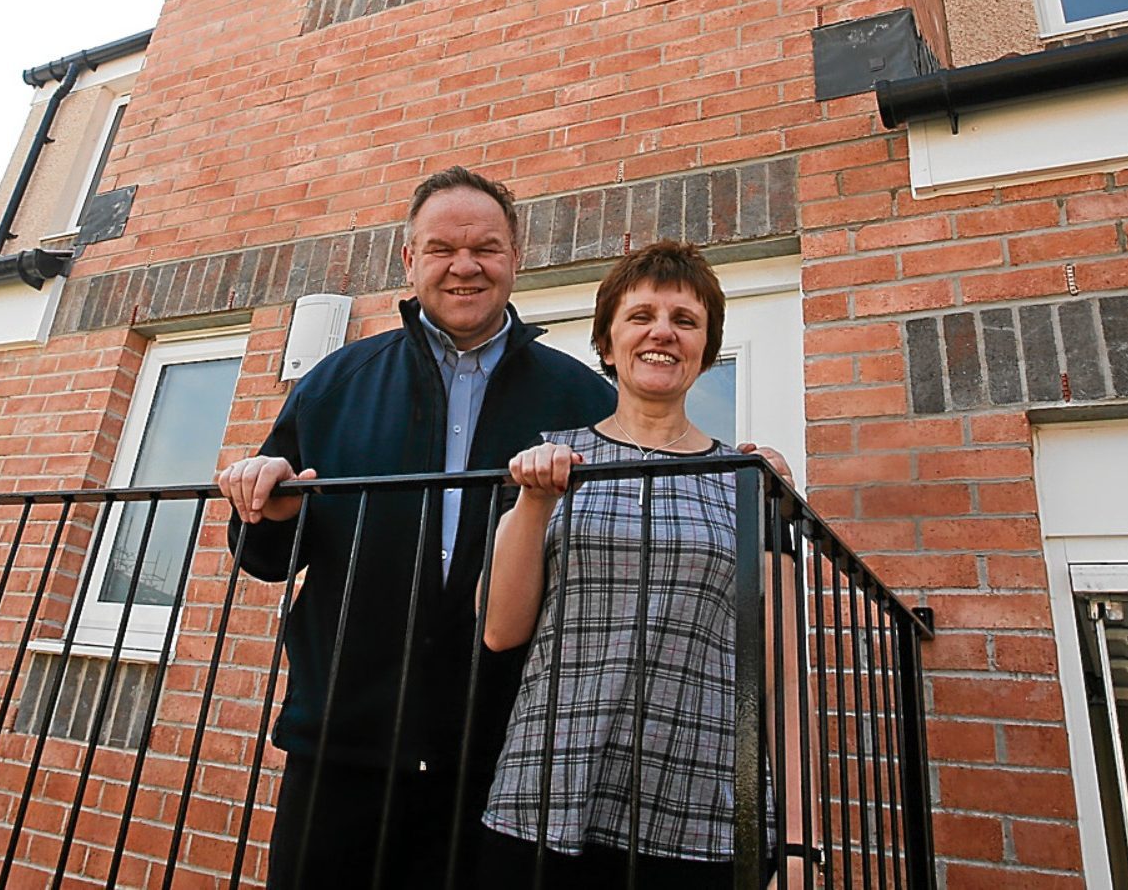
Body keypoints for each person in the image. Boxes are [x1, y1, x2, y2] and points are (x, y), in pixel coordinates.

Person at [218, 166, 616, 888]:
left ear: (516, 257)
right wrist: (268, 511)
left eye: (486, 248)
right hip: (344, 742)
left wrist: (750, 465)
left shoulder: (583, 396)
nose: (465, 266)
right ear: (409, 260)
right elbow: (268, 552)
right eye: (441, 249)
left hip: (505, 752)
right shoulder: (336, 382)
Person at [476, 241, 795, 890]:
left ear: (706, 349)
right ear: (607, 339)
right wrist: (534, 502)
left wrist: (797, 843)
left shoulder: (748, 481)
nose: (662, 333)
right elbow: (498, 630)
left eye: (685, 320)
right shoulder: (551, 463)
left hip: (706, 809)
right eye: (641, 314)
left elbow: (782, 677)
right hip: (548, 793)